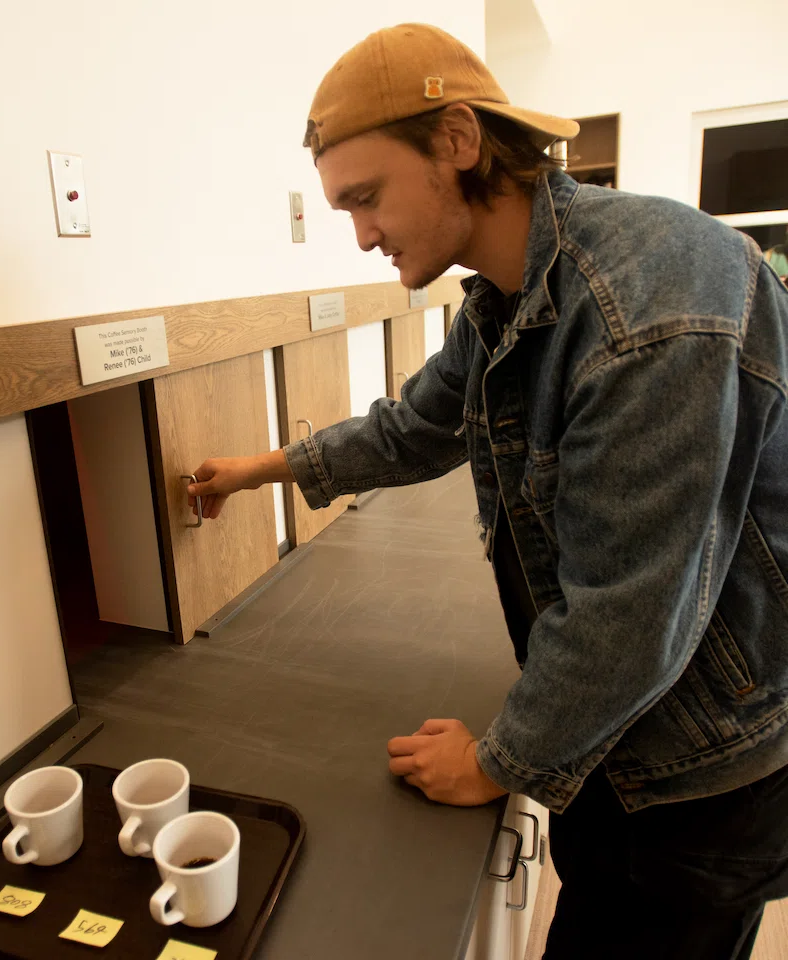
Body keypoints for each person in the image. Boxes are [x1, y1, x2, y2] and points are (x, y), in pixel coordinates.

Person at [186, 23, 788, 960]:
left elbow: (630, 614)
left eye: (367, 197)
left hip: (702, 774)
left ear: (459, 143)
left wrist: (495, 759)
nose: (361, 235)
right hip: (627, 741)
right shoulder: (501, 300)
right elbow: (414, 429)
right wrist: (256, 470)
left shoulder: (650, 303)